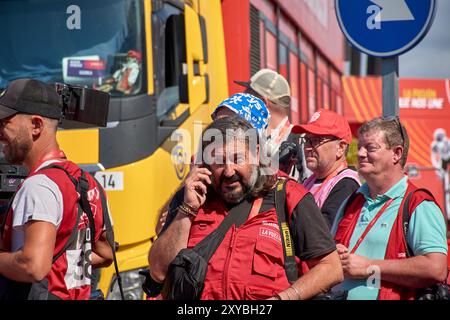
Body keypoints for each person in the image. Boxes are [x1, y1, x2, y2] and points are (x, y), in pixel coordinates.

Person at [149, 116, 343, 300]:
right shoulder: (191, 198)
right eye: (219, 161)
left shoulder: (287, 196)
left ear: (256, 154)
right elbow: (158, 272)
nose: (229, 171)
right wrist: (187, 209)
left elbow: (331, 268)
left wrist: (284, 297)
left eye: (237, 159)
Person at [0, 78, 113, 300]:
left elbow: (33, 266)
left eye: (5, 123)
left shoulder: (39, 186)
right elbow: (105, 253)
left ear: (36, 125)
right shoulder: (87, 182)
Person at [331, 116, 448, 300]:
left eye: (370, 147)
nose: (361, 153)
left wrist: (369, 267)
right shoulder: (351, 202)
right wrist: (333, 256)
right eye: (359, 146)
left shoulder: (418, 204)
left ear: (397, 153)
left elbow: (436, 268)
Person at [155, 93, 270, 235]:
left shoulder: (280, 192)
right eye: (216, 123)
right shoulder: (202, 175)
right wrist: (185, 194)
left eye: (230, 123)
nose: (219, 131)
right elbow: (161, 230)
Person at [291, 109, 360, 227]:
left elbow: (321, 233)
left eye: (315, 141)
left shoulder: (346, 184)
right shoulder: (310, 181)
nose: (307, 147)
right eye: (307, 140)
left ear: (341, 148)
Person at [235, 68, 307, 182]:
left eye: (247, 98)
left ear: (263, 102)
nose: (241, 104)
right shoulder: (249, 138)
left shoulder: (302, 141)